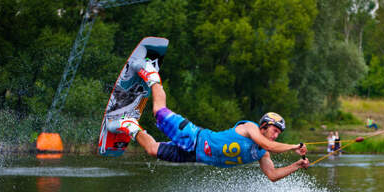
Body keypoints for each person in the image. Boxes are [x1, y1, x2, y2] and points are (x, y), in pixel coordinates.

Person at [107, 59, 309, 182]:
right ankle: (151, 73)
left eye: (278, 133)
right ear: (264, 126)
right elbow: (268, 144)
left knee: (152, 150)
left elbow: (272, 175)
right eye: (274, 130)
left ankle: (129, 125)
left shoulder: (263, 153)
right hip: (193, 138)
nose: (275, 135)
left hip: (193, 156)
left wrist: (296, 166)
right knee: (159, 110)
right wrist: (293, 146)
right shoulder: (251, 128)